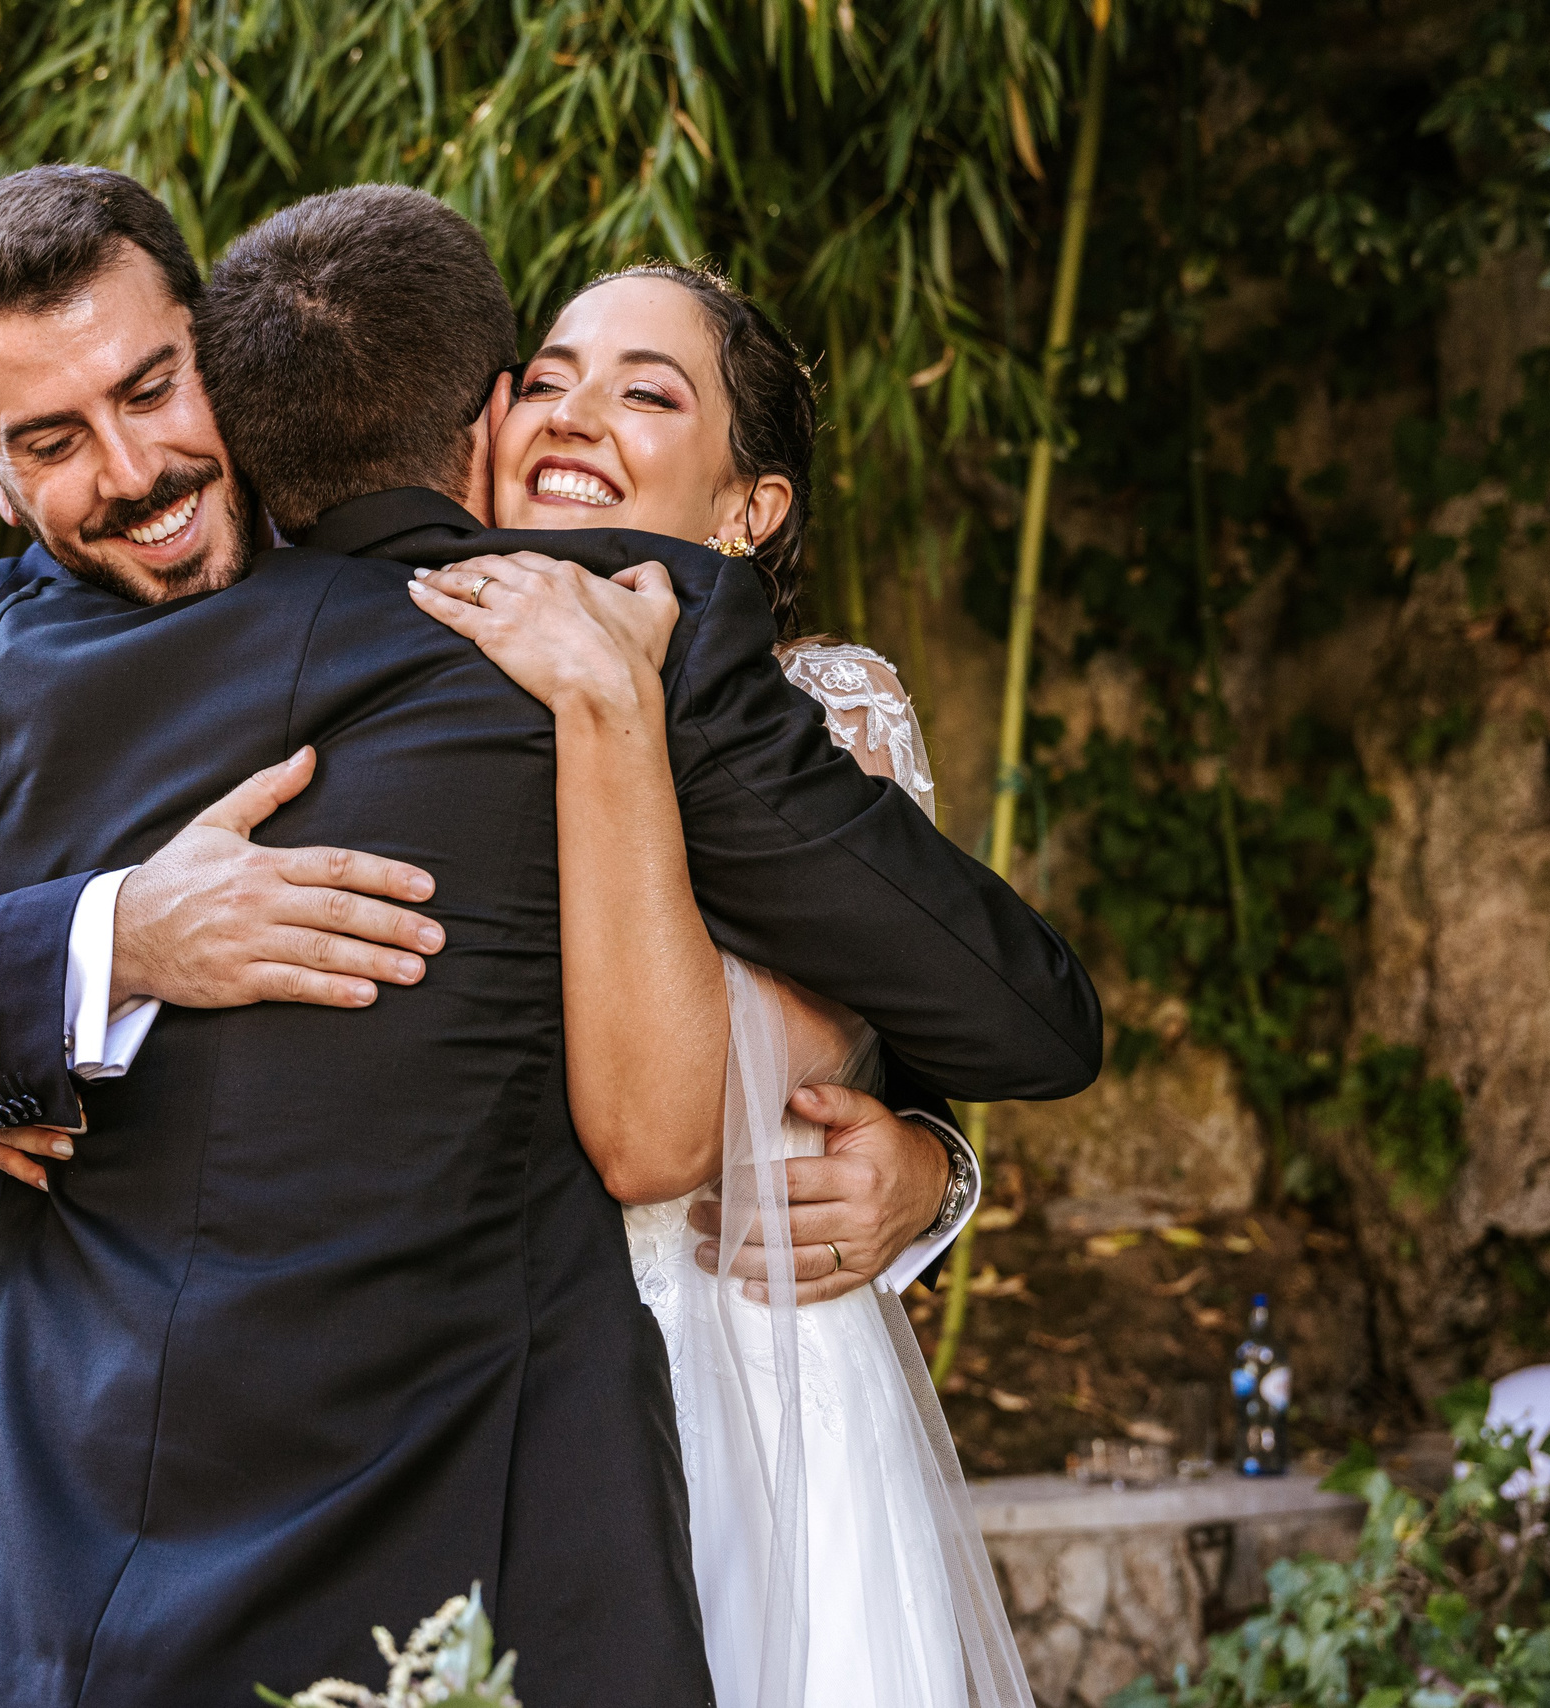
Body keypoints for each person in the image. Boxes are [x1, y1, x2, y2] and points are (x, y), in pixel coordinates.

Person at [0, 184, 1100, 1706]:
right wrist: (104, 943)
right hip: (62, 1521)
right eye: (54, 442)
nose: (132, 473)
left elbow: (911, 986)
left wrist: (923, 1157)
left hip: (526, 1489)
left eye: (148, 391)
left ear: (223, 354)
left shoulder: (621, 632)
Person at [408, 263, 1033, 1704]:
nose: (575, 415)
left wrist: (930, 1170)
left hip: (741, 1383)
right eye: (549, 378)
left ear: (750, 509)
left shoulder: (822, 715)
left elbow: (728, 1099)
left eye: (647, 391)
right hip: (458, 1385)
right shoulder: (385, 664)